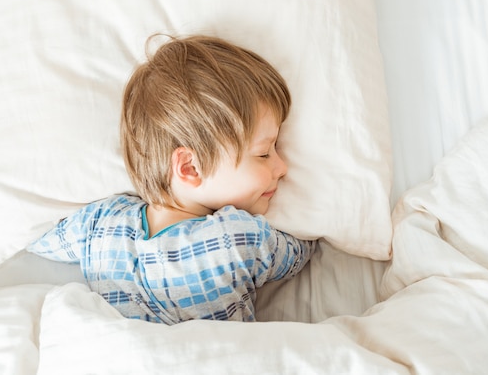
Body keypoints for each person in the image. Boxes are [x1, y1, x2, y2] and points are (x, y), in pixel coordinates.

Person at [27, 34, 315, 325]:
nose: (283, 167)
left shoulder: (99, 223)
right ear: (190, 167)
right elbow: (302, 249)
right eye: (264, 153)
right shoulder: (240, 236)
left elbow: (35, 237)